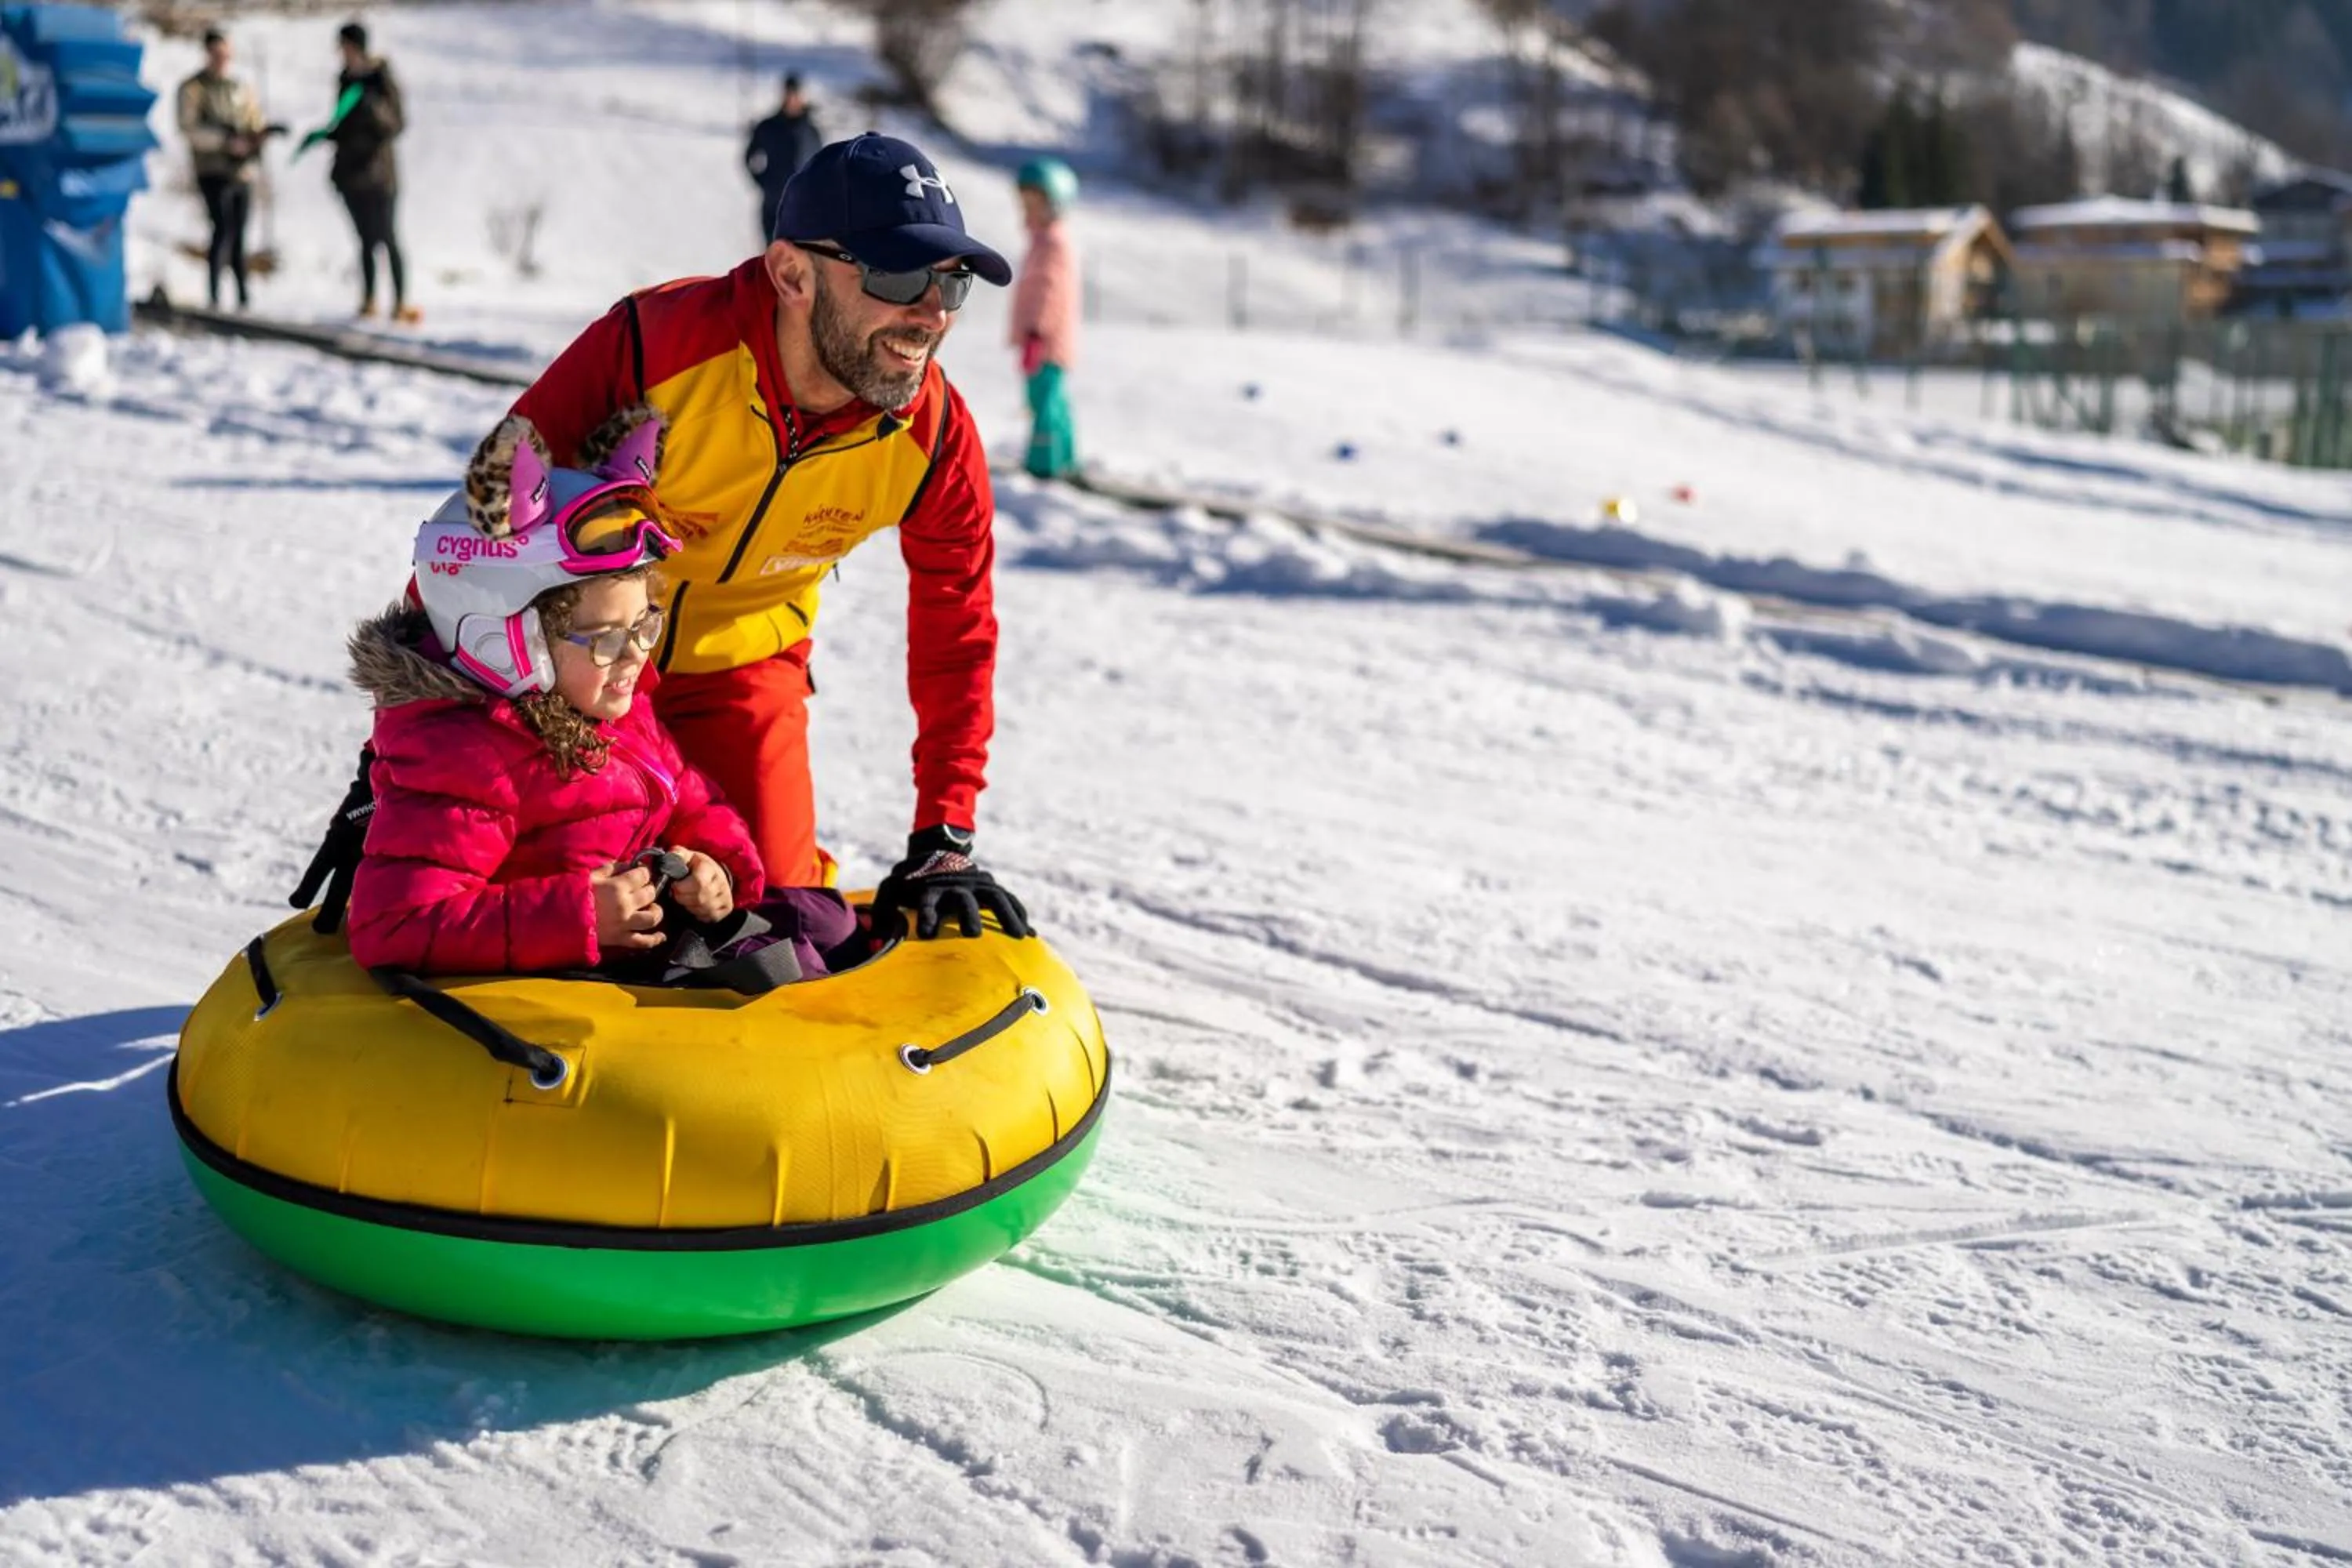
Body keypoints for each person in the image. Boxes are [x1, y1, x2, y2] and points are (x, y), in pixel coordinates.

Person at [506, 132, 1032, 944]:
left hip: (745, 673)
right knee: (580, 899)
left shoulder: (931, 434)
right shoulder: (658, 348)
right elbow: (486, 526)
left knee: (781, 913)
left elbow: (958, 630)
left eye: (951, 282)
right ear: (792, 273)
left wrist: (945, 833)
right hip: (587, 672)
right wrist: (402, 750)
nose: (931, 312)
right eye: (897, 276)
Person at [343, 411, 785, 977]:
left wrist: (716, 871)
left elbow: (693, 803)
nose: (634, 656)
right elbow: (394, 925)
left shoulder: (614, 711)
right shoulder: (467, 759)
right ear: (503, 641)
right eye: (604, 639)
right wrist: (577, 918)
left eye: (644, 625)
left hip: (638, 965)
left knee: (820, 923)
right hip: (550, 999)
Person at [304, 21, 413, 324]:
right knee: (365, 240)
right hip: (350, 174)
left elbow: (397, 124)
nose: (342, 53)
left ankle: (401, 302)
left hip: (380, 174)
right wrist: (325, 134)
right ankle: (368, 300)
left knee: (388, 237)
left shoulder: (381, 77)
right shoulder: (344, 79)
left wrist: (373, 106)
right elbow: (342, 124)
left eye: (345, 47)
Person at [176, 29, 274, 310]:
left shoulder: (239, 88)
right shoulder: (194, 88)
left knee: (240, 232)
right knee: (222, 229)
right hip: (212, 170)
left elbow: (254, 119)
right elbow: (190, 128)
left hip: (241, 170)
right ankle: (215, 295)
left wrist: (257, 137)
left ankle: (243, 297)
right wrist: (225, 141)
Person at [1007, 157, 1081, 479]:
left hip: (1046, 339)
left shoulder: (1052, 243)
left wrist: (1037, 330)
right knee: (1051, 397)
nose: (1028, 210)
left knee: (1045, 400)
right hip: (1044, 337)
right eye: (1025, 203)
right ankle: (1064, 458)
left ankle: (1045, 464)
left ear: (1055, 204)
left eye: (1035, 204)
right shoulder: (1043, 241)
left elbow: (1050, 290)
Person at [743, 74, 822, 246]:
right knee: (774, 259)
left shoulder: (812, 131)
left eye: (796, 93)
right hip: (775, 204)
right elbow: (749, 157)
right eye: (789, 93)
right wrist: (764, 182)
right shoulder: (768, 127)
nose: (792, 98)